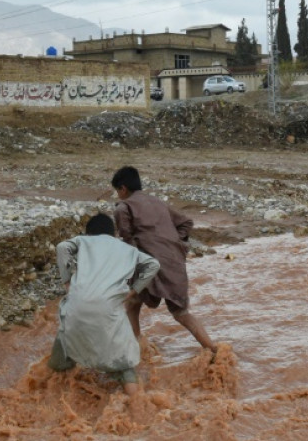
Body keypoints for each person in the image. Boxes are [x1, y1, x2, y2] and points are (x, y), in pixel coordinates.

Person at [48, 213, 160, 396]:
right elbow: (153, 264)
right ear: (113, 233)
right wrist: (135, 290)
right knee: (124, 361)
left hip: (76, 303)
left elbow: (62, 247)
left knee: (65, 340)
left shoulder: (84, 242)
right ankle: (137, 405)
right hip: (109, 307)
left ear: (89, 233)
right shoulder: (127, 249)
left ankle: (48, 392)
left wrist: (67, 281)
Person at [111, 166, 217, 352]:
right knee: (181, 313)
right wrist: (176, 244)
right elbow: (186, 223)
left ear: (123, 189)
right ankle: (213, 349)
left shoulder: (123, 208)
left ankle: (137, 344)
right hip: (175, 263)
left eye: (117, 191)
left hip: (149, 264)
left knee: (133, 302)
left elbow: (128, 243)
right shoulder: (157, 202)